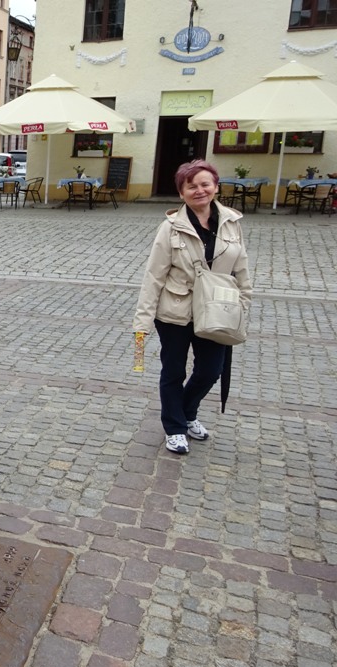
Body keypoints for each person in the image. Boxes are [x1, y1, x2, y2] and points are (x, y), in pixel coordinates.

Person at [133, 159, 252, 454]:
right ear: (181, 192)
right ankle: (175, 428)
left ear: (215, 186)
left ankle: (186, 412)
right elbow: (154, 276)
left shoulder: (232, 223)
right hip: (175, 312)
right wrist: (142, 322)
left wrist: (242, 306)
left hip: (216, 310)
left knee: (211, 370)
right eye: (191, 186)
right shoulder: (170, 228)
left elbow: (242, 270)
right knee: (173, 372)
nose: (199, 190)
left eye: (205, 184)